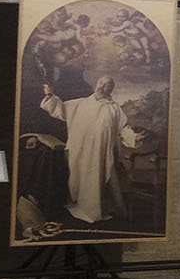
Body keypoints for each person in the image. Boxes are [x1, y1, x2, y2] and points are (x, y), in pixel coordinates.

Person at [40, 76, 139, 223]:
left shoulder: (115, 109)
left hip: (101, 152)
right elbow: (60, 108)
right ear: (95, 84)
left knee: (97, 180)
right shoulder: (80, 103)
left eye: (107, 85)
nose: (102, 86)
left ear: (111, 90)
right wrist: (49, 95)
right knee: (79, 179)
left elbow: (123, 128)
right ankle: (79, 206)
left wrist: (134, 137)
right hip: (80, 150)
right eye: (101, 82)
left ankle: (95, 210)